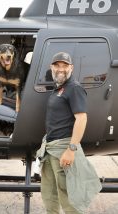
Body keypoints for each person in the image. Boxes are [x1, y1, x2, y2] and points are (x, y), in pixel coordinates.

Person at [36, 52, 102, 213]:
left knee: (68, 196)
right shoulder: (60, 88)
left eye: (65, 65)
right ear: (52, 67)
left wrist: (71, 150)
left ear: (71, 68)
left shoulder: (74, 88)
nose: (61, 69)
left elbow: (81, 119)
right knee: (49, 194)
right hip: (51, 149)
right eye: (57, 65)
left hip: (63, 149)